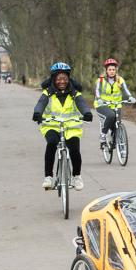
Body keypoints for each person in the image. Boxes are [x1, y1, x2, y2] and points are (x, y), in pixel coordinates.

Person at [32, 62, 93, 191]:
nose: (62, 81)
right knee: (52, 143)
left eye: (64, 78)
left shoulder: (75, 93)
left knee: (75, 149)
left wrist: (87, 113)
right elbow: (41, 103)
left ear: (68, 78)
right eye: (59, 79)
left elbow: (82, 104)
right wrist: (38, 113)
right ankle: (48, 177)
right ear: (54, 79)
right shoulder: (47, 93)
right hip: (51, 125)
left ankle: (77, 176)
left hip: (71, 126)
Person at [94, 58, 136, 147]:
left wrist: (130, 97)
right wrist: (99, 99)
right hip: (102, 105)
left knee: (117, 125)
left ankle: (114, 142)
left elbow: (125, 90)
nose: (112, 71)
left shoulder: (120, 80)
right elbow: (97, 91)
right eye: (110, 69)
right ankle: (103, 136)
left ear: (116, 70)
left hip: (116, 104)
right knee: (110, 116)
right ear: (106, 70)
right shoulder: (100, 80)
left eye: (113, 69)